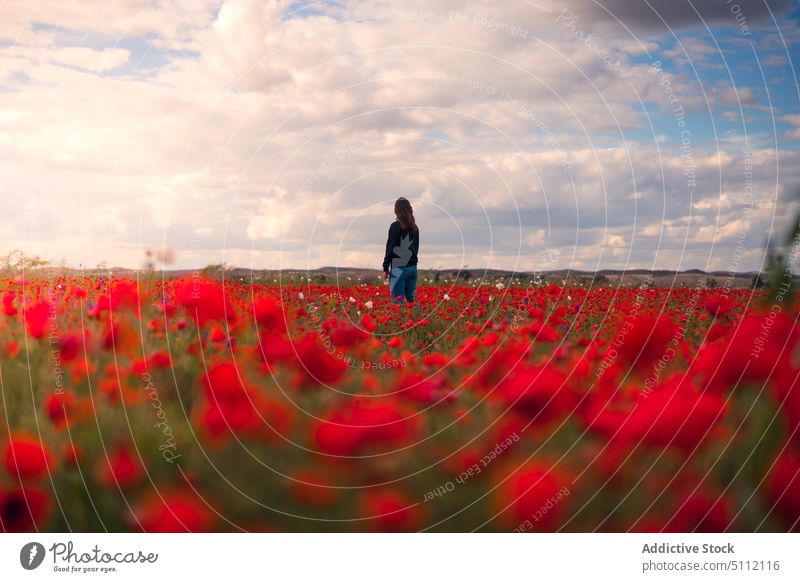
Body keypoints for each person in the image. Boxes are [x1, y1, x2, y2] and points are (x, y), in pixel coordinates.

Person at [382, 197, 419, 304]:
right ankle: (420, 318)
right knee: (413, 302)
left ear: (396, 211)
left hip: (399, 268)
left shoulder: (395, 226)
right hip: (412, 268)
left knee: (398, 304)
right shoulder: (415, 228)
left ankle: (402, 321)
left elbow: (390, 248)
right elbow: (416, 249)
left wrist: (385, 267)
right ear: (410, 210)